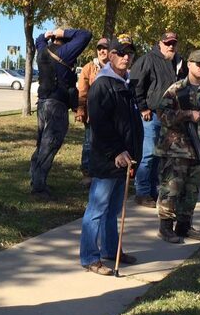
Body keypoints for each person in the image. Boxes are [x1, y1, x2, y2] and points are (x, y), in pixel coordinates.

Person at [79, 35, 143, 275]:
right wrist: (116, 151)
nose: (126, 57)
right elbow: (100, 124)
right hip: (108, 158)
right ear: (111, 55)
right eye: (121, 53)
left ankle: (111, 250)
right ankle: (89, 257)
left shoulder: (125, 83)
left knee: (113, 210)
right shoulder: (102, 84)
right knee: (97, 209)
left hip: (125, 158)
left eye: (130, 54)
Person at [155, 49, 200, 243]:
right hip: (177, 149)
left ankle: (184, 226)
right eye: (199, 64)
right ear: (189, 65)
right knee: (172, 188)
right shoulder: (176, 90)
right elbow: (162, 115)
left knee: (192, 190)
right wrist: (185, 115)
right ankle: (165, 227)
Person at [30, 26, 93, 200]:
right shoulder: (65, 52)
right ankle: (39, 188)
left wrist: (46, 35)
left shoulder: (43, 50)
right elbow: (85, 34)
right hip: (56, 105)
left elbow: (39, 40)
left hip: (42, 103)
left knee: (41, 144)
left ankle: (35, 179)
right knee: (49, 145)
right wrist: (63, 32)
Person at [130, 30, 186, 208]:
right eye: (168, 43)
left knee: (158, 156)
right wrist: (143, 107)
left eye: (173, 43)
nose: (171, 46)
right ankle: (142, 192)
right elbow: (136, 84)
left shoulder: (178, 62)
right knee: (147, 154)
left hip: (168, 117)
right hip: (151, 115)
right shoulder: (148, 59)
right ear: (160, 43)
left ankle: (153, 191)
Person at [76, 37, 110, 187]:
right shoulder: (89, 68)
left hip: (109, 114)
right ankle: (87, 173)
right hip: (93, 114)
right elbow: (82, 91)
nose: (102, 51)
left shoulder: (114, 67)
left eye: (105, 48)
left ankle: (103, 171)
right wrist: (81, 109)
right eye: (100, 48)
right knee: (89, 143)